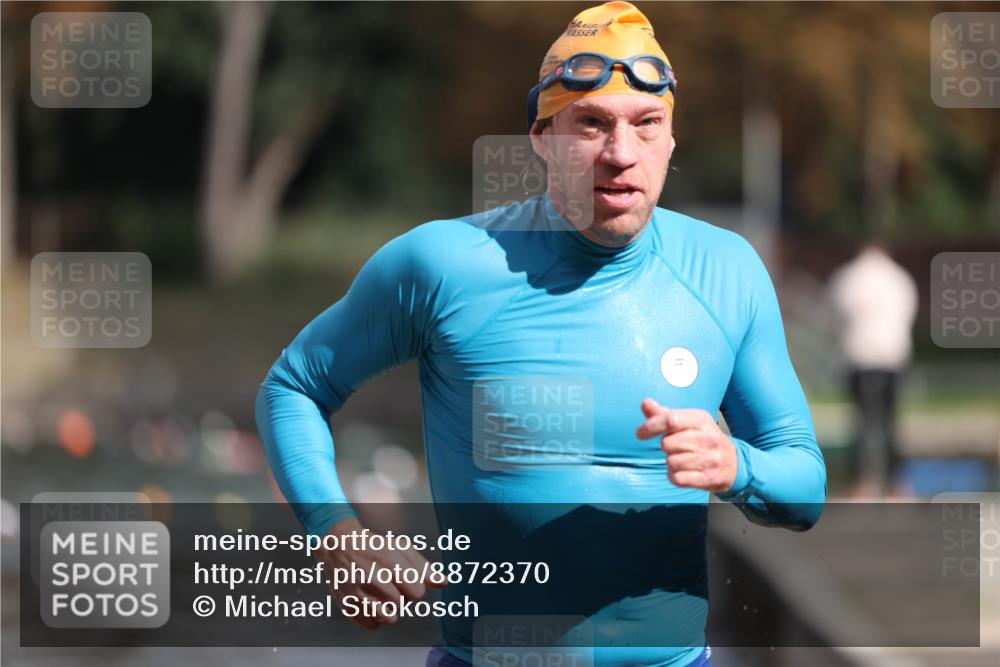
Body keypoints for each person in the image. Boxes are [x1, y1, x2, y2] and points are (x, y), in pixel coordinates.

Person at [255, 2, 827, 666]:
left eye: (647, 125)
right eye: (591, 124)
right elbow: (294, 385)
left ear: (672, 138)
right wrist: (336, 530)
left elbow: (805, 487)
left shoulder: (726, 272)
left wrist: (737, 466)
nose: (621, 154)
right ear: (541, 137)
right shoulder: (443, 265)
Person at [828, 242, 918, 498]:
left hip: (862, 357)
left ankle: (863, 483)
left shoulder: (849, 277)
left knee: (862, 423)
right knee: (892, 423)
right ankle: (897, 484)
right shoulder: (900, 278)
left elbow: (836, 315)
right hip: (892, 358)